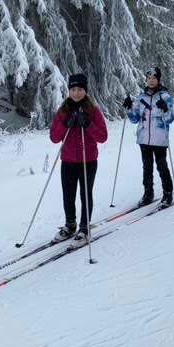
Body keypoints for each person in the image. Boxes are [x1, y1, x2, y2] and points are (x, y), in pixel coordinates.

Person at [49, 73, 108, 247]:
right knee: (68, 195)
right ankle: (70, 225)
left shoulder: (93, 110)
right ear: (69, 91)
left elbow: (103, 137)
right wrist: (65, 124)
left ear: (85, 91)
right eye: (73, 89)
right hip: (68, 160)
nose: (76, 93)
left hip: (87, 160)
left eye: (80, 89)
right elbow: (53, 137)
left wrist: (88, 125)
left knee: (85, 194)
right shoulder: (63, 111)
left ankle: (84, 227)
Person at [124, 67, 174, 209]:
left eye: (154, 78)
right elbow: (135, 119)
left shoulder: (165, 97)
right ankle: (148, 193)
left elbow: (170, 119)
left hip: (159, 138)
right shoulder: (141, 97)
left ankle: (167, 193)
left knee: (162, 166)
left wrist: (165, 108)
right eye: (149, 78)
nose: (151, 81)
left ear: (158, 80)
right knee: (147, 167)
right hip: (144, 138)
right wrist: (129, 108)